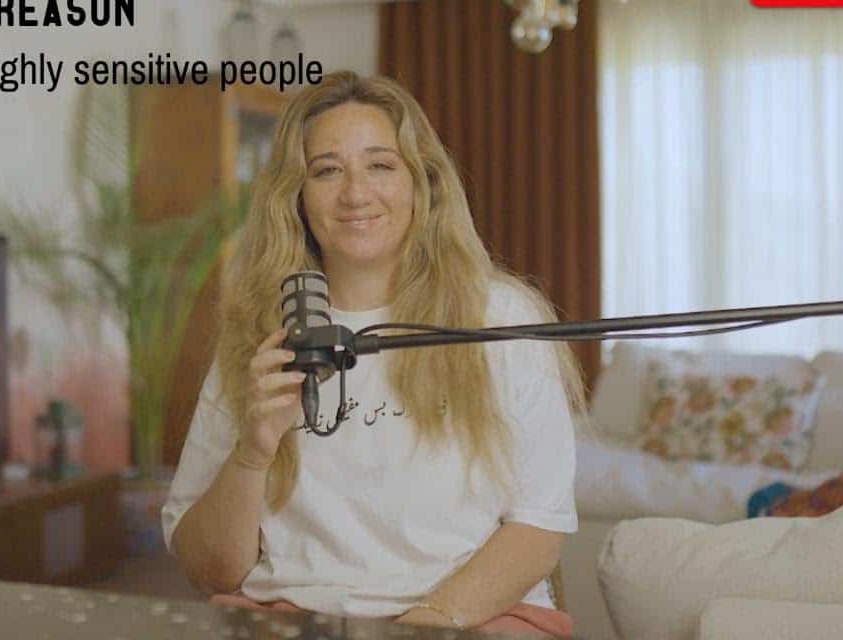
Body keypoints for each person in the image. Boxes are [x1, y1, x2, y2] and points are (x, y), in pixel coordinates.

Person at [161, 71, 584, 637]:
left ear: (421, 182)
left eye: (381, 165)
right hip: (299, 618)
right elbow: (206, 568)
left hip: (468, 617)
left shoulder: (502, 317)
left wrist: (418, 629)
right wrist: (253, 452)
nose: (355, 192)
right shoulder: (257, 335)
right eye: (327, 170)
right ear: (296, 194)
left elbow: (538, 530)